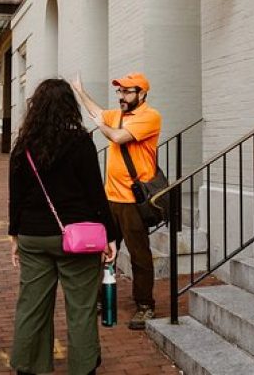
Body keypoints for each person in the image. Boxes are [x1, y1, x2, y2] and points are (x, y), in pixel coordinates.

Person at [9, 78, 116, 375]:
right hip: (78, 236)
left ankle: (29, 365)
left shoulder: (24, 144)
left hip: (33, 235)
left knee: (32, 306)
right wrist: (111, 235)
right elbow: (96, 193)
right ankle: (83, 368)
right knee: (80, 308)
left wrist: (14, 235)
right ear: (69, 107)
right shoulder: (80, 142)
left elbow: (15, 196)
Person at [71, 72, 162, 330]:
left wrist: (99, 123)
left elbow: (118, 137)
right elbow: (98, 111)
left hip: (133, 202)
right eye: (119, 92)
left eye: (127, 92)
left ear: (142, 94)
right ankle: (99, 299)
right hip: (109, 198)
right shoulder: (118, 115)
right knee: (103, 253)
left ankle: (145, 306)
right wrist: (80, 90)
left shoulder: (150, 116)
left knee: (139, 256)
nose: (122, 96)